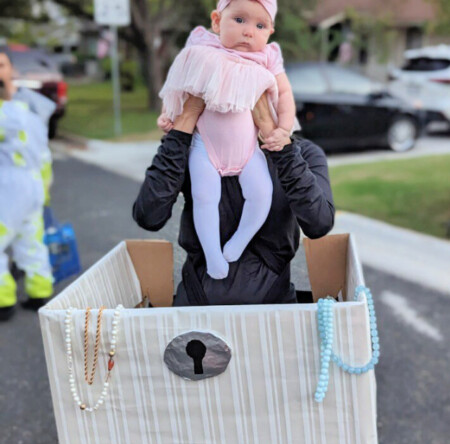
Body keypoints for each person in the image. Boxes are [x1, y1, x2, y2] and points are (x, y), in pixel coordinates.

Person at [133, 93, 335, 306]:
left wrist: (277, 140)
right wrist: (185, 120)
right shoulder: (195, 150)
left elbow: (319, 223)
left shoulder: (301, 154)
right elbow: (149, 216)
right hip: (197, 307)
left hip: (274, 309)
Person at [158, 0, 296, 280]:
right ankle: (213, 256)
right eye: (240, 20)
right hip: (205, 147)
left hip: (247, 150)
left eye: (260, 25)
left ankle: (239, 242)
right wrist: (168, 113)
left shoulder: (266, 57)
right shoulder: (205, 48)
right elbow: (180, 81)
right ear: (217, 21)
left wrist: (285, 128)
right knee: (204, 197)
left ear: (270, 31)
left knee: (261, 194)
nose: (249, 32)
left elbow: (284, 94)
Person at [0, 49, 54, 321]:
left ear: (11, 70)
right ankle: (39, 292)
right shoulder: (34, 104)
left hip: (8, 183)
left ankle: (3, 301)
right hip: (33, 182)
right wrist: (45, 186)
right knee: (31, 239)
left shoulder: (10, 110)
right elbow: (44, 149)